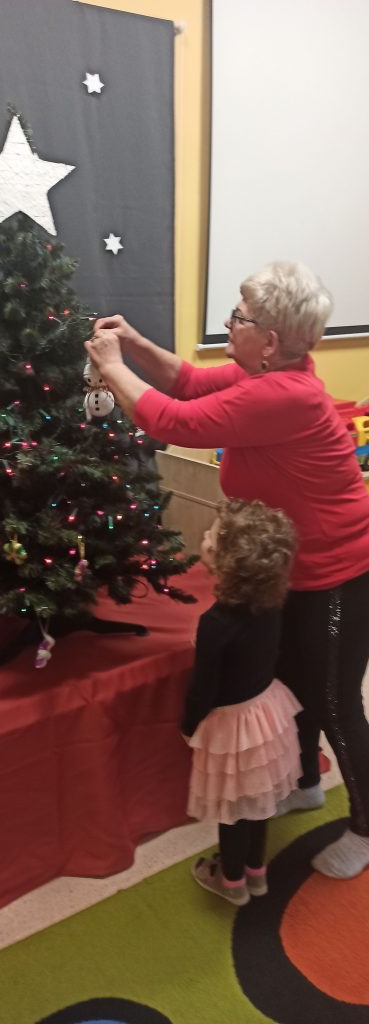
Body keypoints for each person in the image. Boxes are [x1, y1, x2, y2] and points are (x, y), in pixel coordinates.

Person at [85, 261, 369, 879]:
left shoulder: (284, 395)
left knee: (334, 700)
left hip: (336, 571)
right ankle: (304, 782)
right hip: (286, 567)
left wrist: (110, 365)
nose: (228, 322)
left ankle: (367, 826)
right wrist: (133, 343)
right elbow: (186, 382)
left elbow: (171, 421)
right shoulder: (263, 374)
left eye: (239, 316)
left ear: (270, 340)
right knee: (289, 682)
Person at [181, 498, 299, 906]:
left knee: (233, 809)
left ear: (228, 563)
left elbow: (204, 688)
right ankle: (256, 872)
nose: (204, 536)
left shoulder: (214, 623)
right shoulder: (272, 602)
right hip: (267, 711)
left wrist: (188, 725)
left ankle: (231, 882)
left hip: (232, 726)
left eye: (211, 536)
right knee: (258, 800)